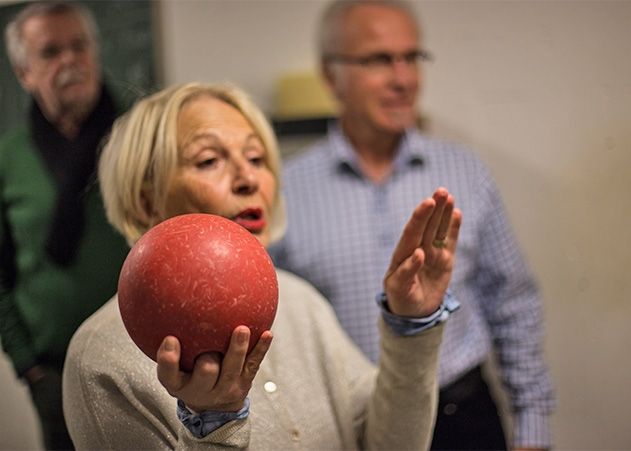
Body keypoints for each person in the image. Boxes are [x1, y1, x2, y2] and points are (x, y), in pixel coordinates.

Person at [62, 81, 462, 450]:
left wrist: (411, 326)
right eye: (208, 161)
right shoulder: (102, 360)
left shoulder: (299, 300)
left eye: (256, 158)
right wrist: (213, 425)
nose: (248, 178)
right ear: (146, 201)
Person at [268, 1, 556, 450]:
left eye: (412, 57)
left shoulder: (465, 172)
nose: (403, 79)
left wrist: (533, 426)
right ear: (331, 76)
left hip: (462, 419)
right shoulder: (284, 192)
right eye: (379, 60)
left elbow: (513, 302)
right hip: (347, 426)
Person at [0, 2, 129, 449]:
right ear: (23, 73)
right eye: (51, 51)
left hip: (148, 358)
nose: (70, 60)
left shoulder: (142, 130)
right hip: (53, 373)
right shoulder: (8, 157)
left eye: (79, 46)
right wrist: (26, 362)